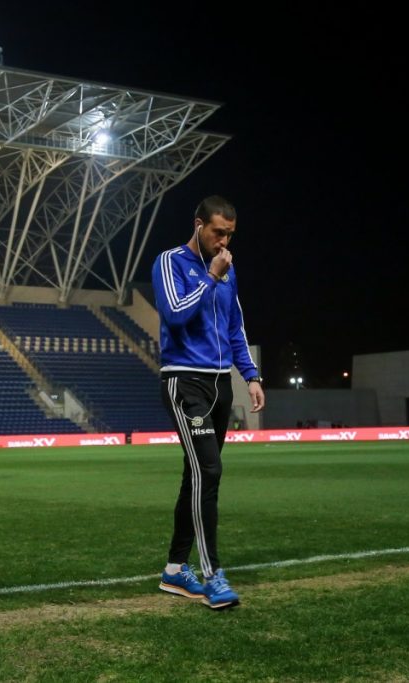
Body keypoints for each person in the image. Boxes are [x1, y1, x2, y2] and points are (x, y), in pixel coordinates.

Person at [151, 195, 265, 611]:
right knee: (210, 470)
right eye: (218, 232)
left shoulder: (228, 270)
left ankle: (174, 569)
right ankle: (213, 574)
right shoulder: (170, 262)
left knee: (196, 475)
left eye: (230, 235)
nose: (224, 242)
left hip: (221, 385)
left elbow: (235, 327)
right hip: (185, 381)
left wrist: (250, 376)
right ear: (199, 224)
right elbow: (175, 313)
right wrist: (211, 277)